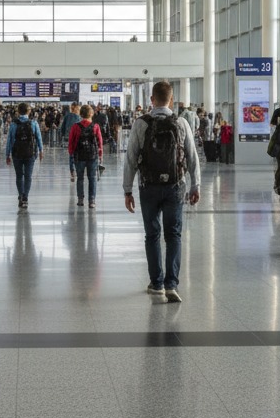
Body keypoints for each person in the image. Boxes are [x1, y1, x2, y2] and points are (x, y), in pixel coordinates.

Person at [122, 81, 201, 303]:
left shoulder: (141, 124)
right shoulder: (181, 123)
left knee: (152, 235)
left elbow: (130, 160)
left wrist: (127, 190)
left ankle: (156, 284)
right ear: (172, 100)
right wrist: (196, 185)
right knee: (174, 235)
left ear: (151, 100)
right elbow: (192, 157)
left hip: (148, 186)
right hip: (175, 186)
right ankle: (171, 284)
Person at [5, 103, 43, 210]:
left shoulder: (13, 124)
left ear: (18, 111)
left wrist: (7, 154)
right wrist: (41, 151)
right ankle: (25, 197)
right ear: (29, 111)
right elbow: (39, 138)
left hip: (17, 153)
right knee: (28, 176)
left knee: (19, 176)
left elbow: (9, 140)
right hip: (30, 154)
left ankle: (20, 195)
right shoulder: (34, 123)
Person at [68, 104, 103, 208]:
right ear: (91, 114)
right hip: (92, 156)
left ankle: (80, 199)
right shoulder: (96, 127)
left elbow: (71, 142)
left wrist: (71, 153)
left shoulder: (75, 126)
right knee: (92, 178)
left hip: (79, 156)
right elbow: (100, 142)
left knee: (80, 178)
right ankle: (92, 200)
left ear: (80, 114)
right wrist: (100, 155)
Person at [60, 103, 81, 182]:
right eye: (78, 109)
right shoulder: (78, 117)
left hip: (69, 138)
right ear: (75, 108)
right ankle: (77, 169)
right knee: (77, 155)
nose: (79, 110)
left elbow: (62, 127)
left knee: (71, 155)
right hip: (77, 138)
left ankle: (72, 171)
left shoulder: (67, 116)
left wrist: (63, 135)